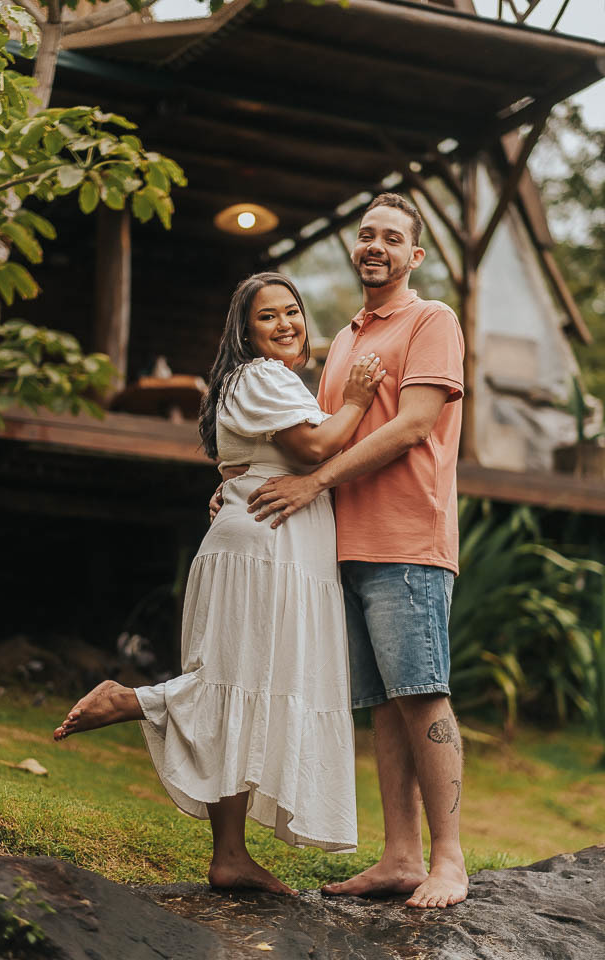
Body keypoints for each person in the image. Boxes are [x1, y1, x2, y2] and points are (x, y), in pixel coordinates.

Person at [53, 272, 385, 896]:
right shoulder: (259, 376)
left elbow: (264, 459)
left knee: (247, 687)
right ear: (245, 332)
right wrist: (358, 400)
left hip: (276, 545)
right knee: (234, 683)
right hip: (265, 550)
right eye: (268, 316)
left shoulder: (267, 381)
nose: (285, 323)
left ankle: (230, 856)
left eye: (292, 311)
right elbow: (314, 447)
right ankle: (131, 701)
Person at [240, 194, 468, 909]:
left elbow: (413, 425)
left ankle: (449, 860)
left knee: (421, 692)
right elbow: (316, 436)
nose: (375, 245)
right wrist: (235, 485)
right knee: (383, 705)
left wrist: (314, 484)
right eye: (367, 234)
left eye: (392, 237)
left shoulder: (432, 320)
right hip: (344, 545)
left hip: (409, 541)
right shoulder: (341, 339)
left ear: (414, 255)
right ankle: (400, 857)